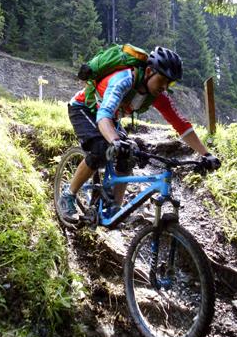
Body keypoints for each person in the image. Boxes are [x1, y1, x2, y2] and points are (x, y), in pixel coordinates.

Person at [58, 46, 221, 224]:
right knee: (102, 148)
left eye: (171, 83)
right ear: (150, 71)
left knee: (130, 153)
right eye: (163, 79)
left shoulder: (159, 95)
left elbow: (182, 125)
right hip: (84, 108)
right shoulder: (125, 79)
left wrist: (206, 154)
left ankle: (115, 210)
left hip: (108, 116)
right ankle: (68, 195)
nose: (165, 86)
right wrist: (114, 141)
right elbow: (103, 114)